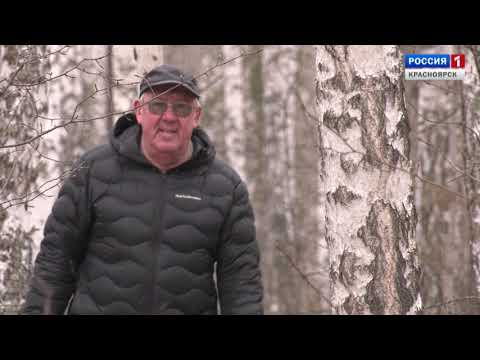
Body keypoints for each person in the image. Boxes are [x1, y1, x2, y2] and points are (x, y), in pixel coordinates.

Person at [21, 64, 263, 315]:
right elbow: (55, 265)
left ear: (196, 116)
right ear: (139, 111)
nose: (169, 117)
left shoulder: (226, 189)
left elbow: (242, 287)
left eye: (181, 107)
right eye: (158, 105)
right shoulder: (92, 172)